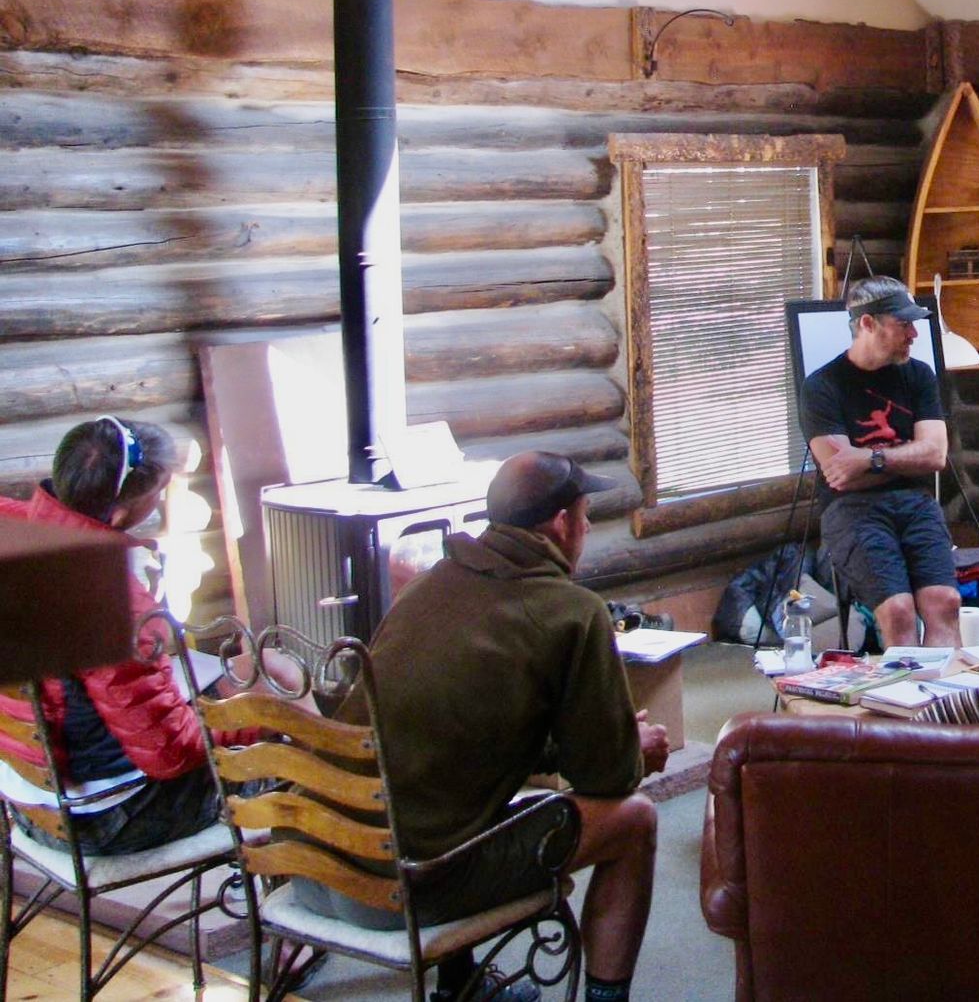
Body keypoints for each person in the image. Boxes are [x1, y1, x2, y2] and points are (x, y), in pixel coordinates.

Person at [313, 451, 669, 1002]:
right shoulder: (572, 611)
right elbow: (607, 780)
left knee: (455, 800)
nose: (590, 526)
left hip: (316, 860)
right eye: (585, 513)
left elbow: (473, 730)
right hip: (401, 885)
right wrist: (633, 749)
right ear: (560, 524)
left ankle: (463, 988)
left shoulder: (426, 587)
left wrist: (564, 748)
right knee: (636, 820)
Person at [0, 418, 237, 855]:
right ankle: (311, 888)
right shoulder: (113, 600)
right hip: (102, 820)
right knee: (280, 747)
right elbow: (168, 755)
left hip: (23, 804)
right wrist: (256, 727)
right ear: (126, 512)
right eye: (159, 492)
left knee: (238, 678)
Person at [799, 275, 961, 648]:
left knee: (946, 602)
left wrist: (869, 459)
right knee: (898, 610)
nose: (914, 335)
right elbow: (841, 476)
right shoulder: (822, 387)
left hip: (915, 503)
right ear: (868, 324)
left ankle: (950, 703)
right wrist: (906, 457)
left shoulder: (919, 375)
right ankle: (904, 704)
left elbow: (936, 454)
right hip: (852, 510)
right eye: (903, 324)